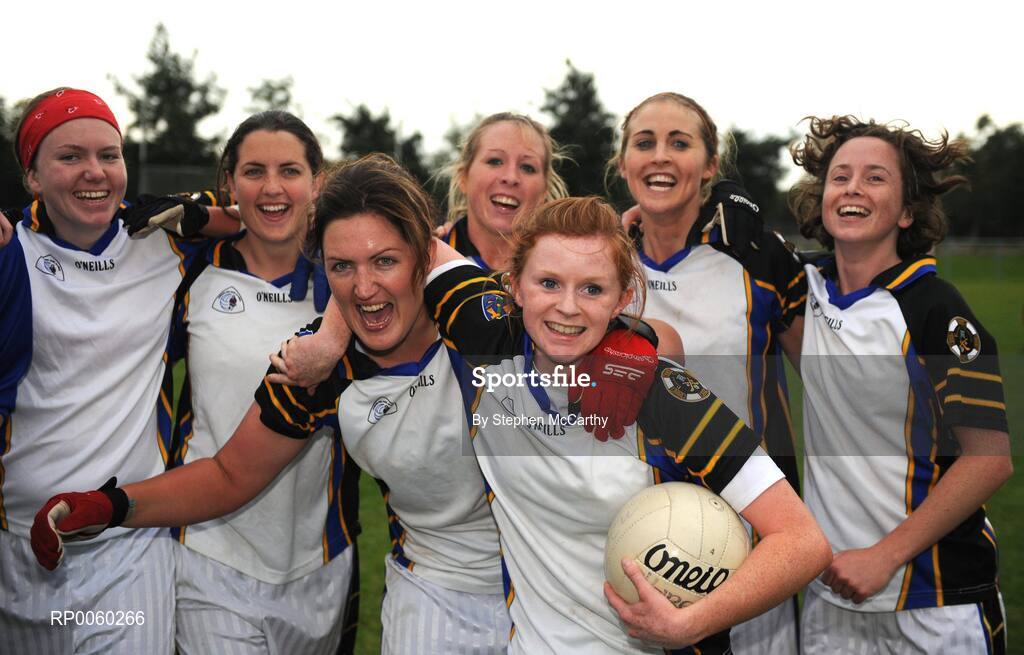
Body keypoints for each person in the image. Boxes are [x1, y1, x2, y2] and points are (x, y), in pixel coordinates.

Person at [422, 195, 831, 653]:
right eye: (549, 283)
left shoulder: (662, 395)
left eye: (593, 289)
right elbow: (400, 239)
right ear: (514, 286)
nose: (568, 307)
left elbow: (803, 541)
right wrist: (328, 340)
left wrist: (690, 623)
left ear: (624, 297)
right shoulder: (485, 340)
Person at [0, 87, 215, 654]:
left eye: (109, 154)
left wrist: (203, 213)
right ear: (33, 177)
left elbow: (277, 216)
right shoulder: (8, 252)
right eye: (69, 156)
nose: (94, 172)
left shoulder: (162, 240)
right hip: (14, 547)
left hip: (128, 543)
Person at [789, 116, 1012, 653]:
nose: (853, 188)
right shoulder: (801, 288)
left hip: (935, 602)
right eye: (840, 177)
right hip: (829, 597)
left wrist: (884, 556)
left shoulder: (937, 309)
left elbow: (990, 458)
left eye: (875, 178)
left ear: (908, 210)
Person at [612, 91, 806, 654]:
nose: (661, 157)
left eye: (681, 143)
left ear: (711, 164)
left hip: (752, 530)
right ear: (623, 163)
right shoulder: (603, 258)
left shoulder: (758, 256)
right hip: (634, 529)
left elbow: (828, 377)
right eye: (644, 143)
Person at [165, 111, 360, 655]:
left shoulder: (353, 280)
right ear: (229, 182)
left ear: (318, 181)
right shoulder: (190, 270)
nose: (272, 188)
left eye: (289, 171)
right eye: (253, 171)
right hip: (207, 550)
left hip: (320, 556)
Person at [440, 112, 567, 271]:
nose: (511, 177)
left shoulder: (566, 269)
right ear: (464, 177)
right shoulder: (425, 261)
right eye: (495, 161)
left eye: (527, 167)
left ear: (544, 191)